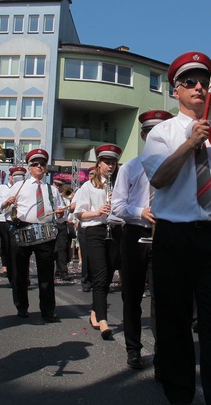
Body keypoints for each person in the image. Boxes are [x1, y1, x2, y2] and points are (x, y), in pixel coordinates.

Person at [141, 51, 211, 404]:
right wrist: (190, 143)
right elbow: (159, 178)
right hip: (175, 236)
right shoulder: (162, 133)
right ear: (176, 91)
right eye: (190, 82)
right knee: (173, 324)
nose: (198, 87)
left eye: (203, 82)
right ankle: (180, 394)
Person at [112, 109, 172, 370]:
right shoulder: (130, 167)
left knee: (163, 298)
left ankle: (162, 356)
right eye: (151, 133)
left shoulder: (175, 166)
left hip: (165, 235)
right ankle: (133, 349)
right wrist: (140, 211)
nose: (156, 137)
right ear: (144, 135)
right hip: (136, 234)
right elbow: (117, 206)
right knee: (132, 295)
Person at [2, 148, 64, 323]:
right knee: (20, 273)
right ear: (29, 168)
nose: (39, 167)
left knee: (46, 274)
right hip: (23, 229)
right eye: (35, 164)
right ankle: (21, 307)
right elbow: (0, 208)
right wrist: (7, 203)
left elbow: (61, 216)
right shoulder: (18, 186)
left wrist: (60, 214)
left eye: (42, 164)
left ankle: (47, 310)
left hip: (44, 232)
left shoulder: (52, 190)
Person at [74, 143, 123, 339]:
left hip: (115, 231)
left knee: (109, 273)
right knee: (100, 275)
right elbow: (79, 213)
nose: (110, 166)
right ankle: (103, 319)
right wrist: (98, 211)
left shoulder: (120, 184)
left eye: (113, 163)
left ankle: (95, 311)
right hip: (95, 231)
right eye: (107, 162)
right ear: (99, 164)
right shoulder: (88, 186)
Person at [0, 167, 22, 283]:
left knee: (19, 249)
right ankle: (7, 269)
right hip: (4, 220)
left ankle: (20, 274)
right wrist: (7, 202)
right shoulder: (3, 188)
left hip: (19, 220)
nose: (15, 178)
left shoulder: (23, 187)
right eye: (13, 176)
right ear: (10, 177)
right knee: (6, 246)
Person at [52, 179, 72, 281]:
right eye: (56, 184)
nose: (58, 187)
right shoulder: (50, 194)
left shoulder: (66, 198)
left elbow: (68, 211)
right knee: (53, 249)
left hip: (61, 225)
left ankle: (63, 271)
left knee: (62, 248)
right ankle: (56, 269)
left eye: (60, 185)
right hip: (52, 224)